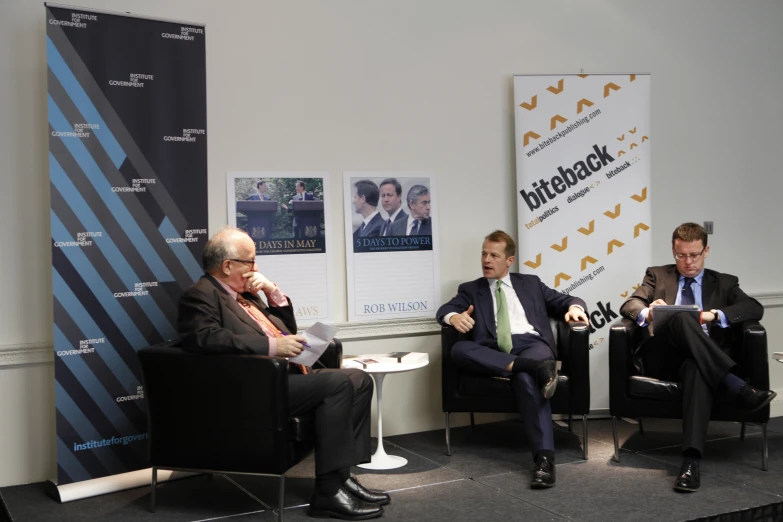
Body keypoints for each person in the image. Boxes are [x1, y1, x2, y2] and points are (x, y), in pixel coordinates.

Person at [178, 227, 389, 519]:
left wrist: (272, 292)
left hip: (281, 379)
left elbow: (284, 329)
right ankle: (327, 492)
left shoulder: (247, 296)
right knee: (339, 382)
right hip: (252, 388)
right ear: (227, 265)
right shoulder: (200, 295)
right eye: (250, 262)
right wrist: (272, 345)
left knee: (360, 379)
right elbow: (205, 337)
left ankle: (341, 477)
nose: (256, 268)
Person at [620, 222, 774, 493]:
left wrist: (714, 315)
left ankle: (691, 462)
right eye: (681, 255)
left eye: (694, 255)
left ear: (706, 251)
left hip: (701, 360)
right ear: (673, 250)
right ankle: (736, 384)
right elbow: (630, 304)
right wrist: (649, 312)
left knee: (696, 367)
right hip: (663, 357)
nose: (688, 262)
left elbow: (754, 307)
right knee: (681, 317)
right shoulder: (656, 275)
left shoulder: (725, 282)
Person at [435, 230, 588, 488]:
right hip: (495, 351)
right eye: (484, 254)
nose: (487, 260)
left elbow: (568, 300)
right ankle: (539, 369)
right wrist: (453, 317)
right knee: (459, 350)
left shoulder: (531, 283)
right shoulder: (472, 289)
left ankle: (544, 459)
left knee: (525, 380)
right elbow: (444, 310)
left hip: (532, 344)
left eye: (494, 255)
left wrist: (575, 308)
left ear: (509, 260)